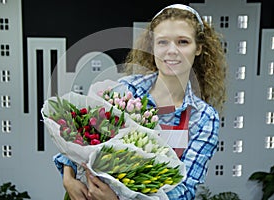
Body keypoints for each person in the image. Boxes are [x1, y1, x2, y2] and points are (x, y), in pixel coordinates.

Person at [53, 3, 227, 200]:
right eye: (163, 42)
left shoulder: (203, 118)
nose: (172, 51)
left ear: (199, 49)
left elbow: (184, 192)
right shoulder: (125, 90)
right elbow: (81, 135)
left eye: (183, 42)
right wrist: (68, 178)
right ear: (152, 46)